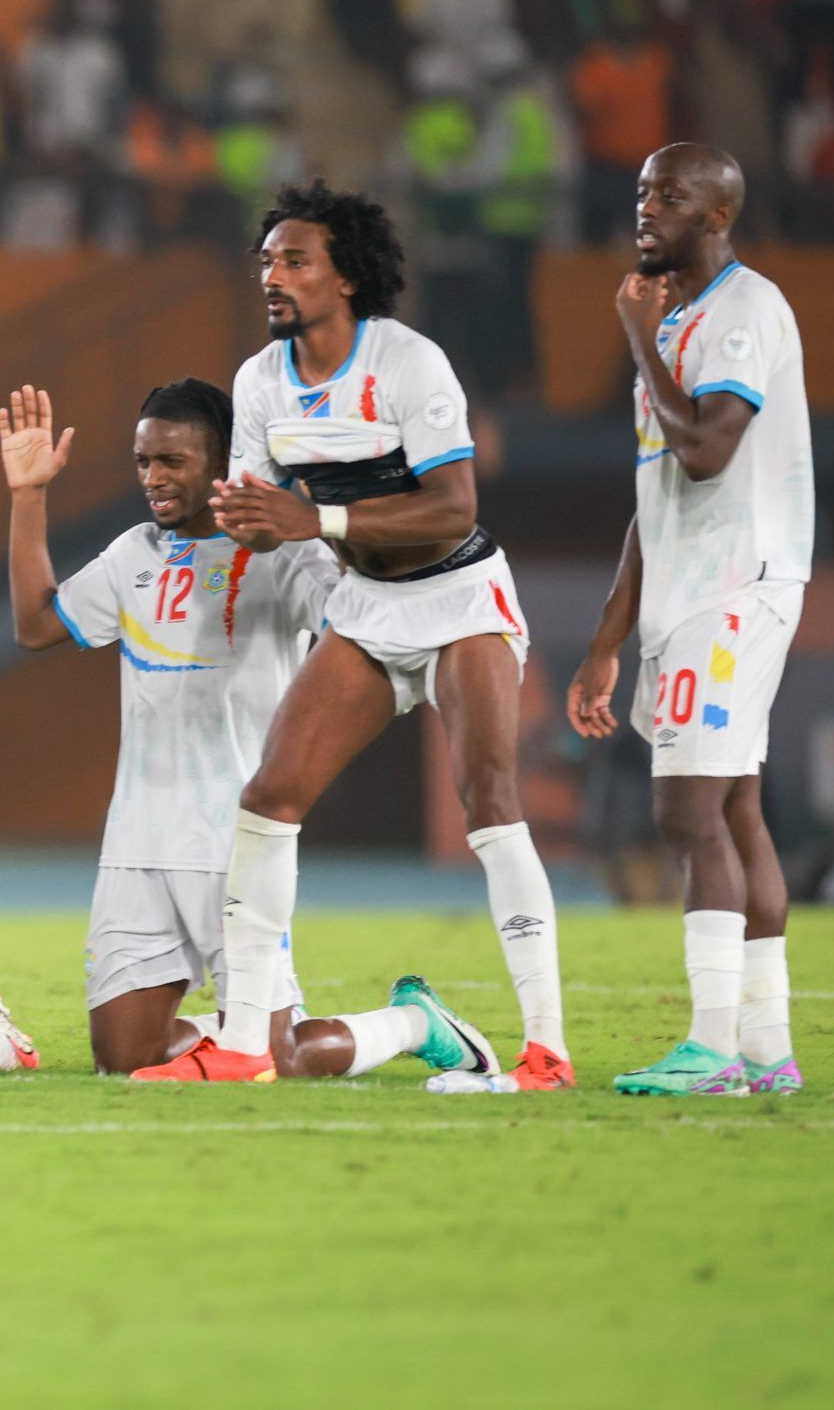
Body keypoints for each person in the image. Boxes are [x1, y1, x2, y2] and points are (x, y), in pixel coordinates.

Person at [135, 181, 572, 1088]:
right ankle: (244, 1045)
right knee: (269, 797)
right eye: (267, 261)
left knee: (488, 796)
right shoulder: (260, 380)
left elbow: (454, 508)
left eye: (295, 261)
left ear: (346, 278)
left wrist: (316, 520)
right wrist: (247, 518)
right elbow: (265, 515)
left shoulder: (409, 362)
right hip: (367, 606)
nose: (273, 276)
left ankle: (547, 1052)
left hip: (458, 598)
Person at [2, 379, 498, 1081]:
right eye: (144, 461)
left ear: (223, 465)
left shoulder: (282, 557)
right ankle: (241, 1028)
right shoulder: (133, 552)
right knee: (124, 1057)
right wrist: (28, 496)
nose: (153, 477)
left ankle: (415, 1022)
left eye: (172, 461)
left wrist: (326, 519)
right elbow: (36, 624)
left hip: (235, 839)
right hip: (137, 842)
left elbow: (366, 619)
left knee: (274, 1059)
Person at [568, 144, 810, 1096]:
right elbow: (657, 491)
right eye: (641, 192)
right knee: (737, 810)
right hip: (690, 589)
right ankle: (766, 1048)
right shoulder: (679, 321)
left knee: (686, 808)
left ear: (718, 215)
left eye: (670, 195)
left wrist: (638, 339)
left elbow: (707, 451)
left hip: (737, 583)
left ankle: (711, 1047)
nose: (647, 208)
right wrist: (607, 640)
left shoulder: (743, 309)